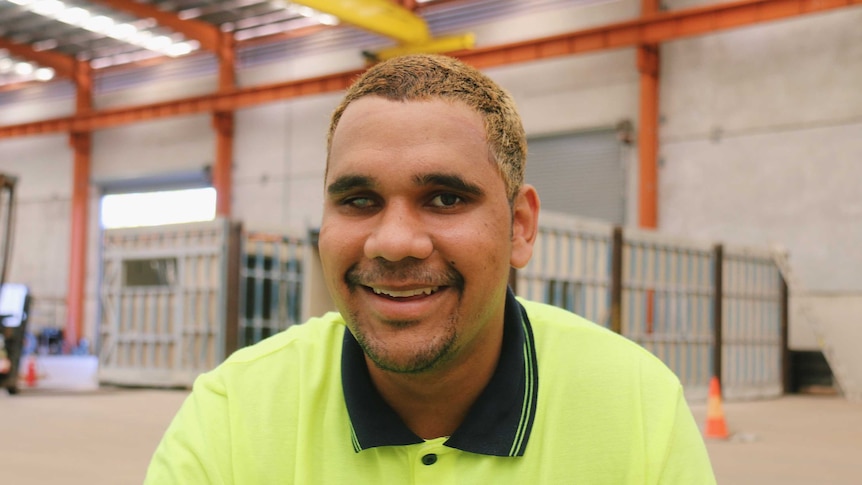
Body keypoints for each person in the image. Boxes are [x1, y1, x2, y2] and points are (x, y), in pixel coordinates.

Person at [145, 54, 716, 484]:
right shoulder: (233, 415)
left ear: (519, 227)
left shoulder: (638, 409)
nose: (394, 243)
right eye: (359, 199)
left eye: (444, 198)